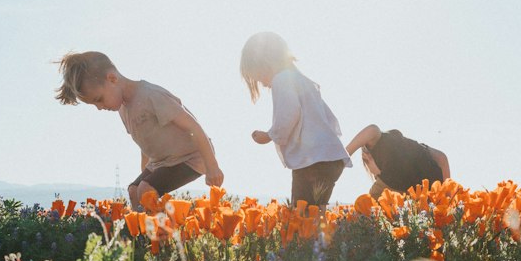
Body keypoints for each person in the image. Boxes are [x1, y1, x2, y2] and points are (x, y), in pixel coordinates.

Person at [55, 50, 223, 207]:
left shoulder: (151, 95)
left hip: (192, 158)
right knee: (135, 191)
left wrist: (212, 166)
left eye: (99, 99)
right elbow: (145, 142)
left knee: (146, 190)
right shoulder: (123, 109)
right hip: (163, 161)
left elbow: (193, 126)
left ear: (112, 79)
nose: (99, 107)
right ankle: (143, 234)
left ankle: (165, 234)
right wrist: (146, 171)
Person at [240, 32, 351, 207]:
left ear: (265, 63)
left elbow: (288, 114)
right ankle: (318, 234)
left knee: (301, 216)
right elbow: (329, 118)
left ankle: (308, 234)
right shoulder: (305, 82)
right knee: (315, 214)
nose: (261, 83)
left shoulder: (281, 79)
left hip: (311, 161)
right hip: (331, 158)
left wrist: (269, 135)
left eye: (258, 77)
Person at [345, 124, 449, 199]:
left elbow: (372, 130)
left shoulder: (384, 145)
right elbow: (442, 158)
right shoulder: (395, 146)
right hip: (422, 189)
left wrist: (343, 156)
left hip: (416, 189)